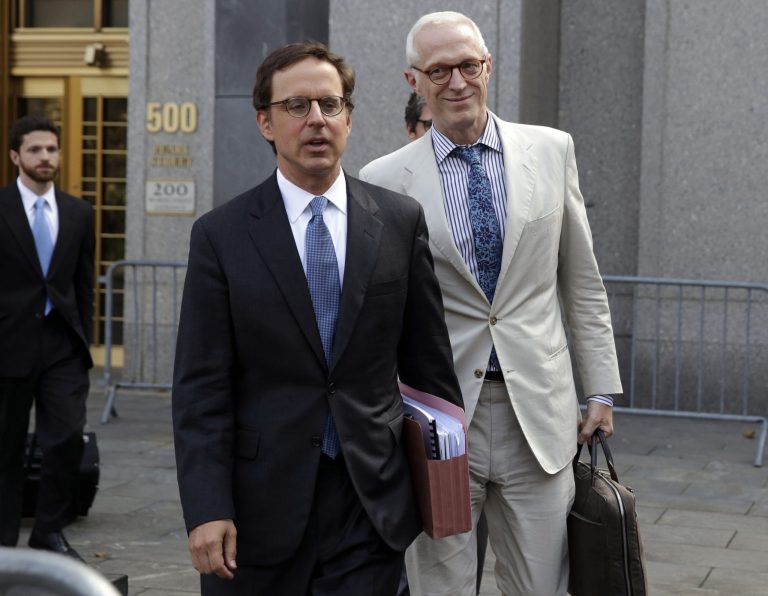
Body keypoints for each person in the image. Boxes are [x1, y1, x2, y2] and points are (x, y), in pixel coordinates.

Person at [171, 42, 462, 596]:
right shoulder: (221, 236)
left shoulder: (399, 223)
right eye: (296, 106)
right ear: (265, 121)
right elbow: (200, 388)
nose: (316, 120)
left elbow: (431, 371)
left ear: (349, 117)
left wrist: (443, 486)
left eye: (330, 104)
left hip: (370, 502)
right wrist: (206, 508)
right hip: (257, 510)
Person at [360, 11, 623, 596]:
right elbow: (380, 313)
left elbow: (581, 282)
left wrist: (601, 389)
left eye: (468, 66)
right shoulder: (382, 179)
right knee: (441, 586)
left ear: (488, 66)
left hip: (540, 417)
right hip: (440, 424)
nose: (457, 82)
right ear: (414, 81)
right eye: (439, 70)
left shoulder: (551, 150)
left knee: (540, 586)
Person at [0, 115, 95, 562]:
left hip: (62, 346)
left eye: (51, 149)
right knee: (6, 445)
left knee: (66, 438)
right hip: (8, 344)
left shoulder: (78, 212)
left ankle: (48, 532)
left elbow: (83, 283)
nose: (45, 157)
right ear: (15, 156)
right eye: (35, 150)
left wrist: (84, 339)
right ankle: (4, 538)